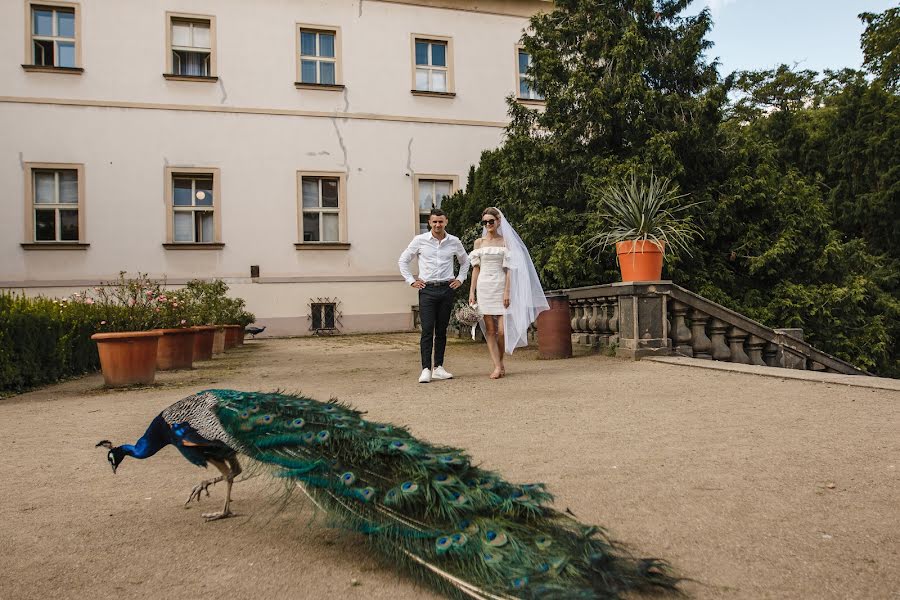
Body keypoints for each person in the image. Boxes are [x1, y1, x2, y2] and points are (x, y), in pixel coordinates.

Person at [468, 207, 548, 379]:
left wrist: (507, 292)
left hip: (501, 285)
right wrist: (472, 292)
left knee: (503, 331)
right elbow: (475, 269)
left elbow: (510, 269)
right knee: (490, 330)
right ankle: (498, 365)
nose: (488, 224)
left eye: (491, 221)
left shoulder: (506, 241)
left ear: (498, 221)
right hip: (484, 287)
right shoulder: (478, 243)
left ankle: (500, 361)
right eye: (485, 222)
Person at [398, 208, 470, 383]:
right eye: (434, 222)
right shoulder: (420, 241)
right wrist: (411, 280)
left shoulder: (454, 242)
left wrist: (460, 279)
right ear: (429, 223)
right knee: (427, 330)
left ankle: (438, 367)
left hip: (446, 289)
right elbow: (403, 260)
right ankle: (425, 369)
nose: (438, 225)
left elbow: (465, 261)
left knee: (442, 331)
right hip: (427, 290)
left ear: (446, 222)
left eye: (441, 221)